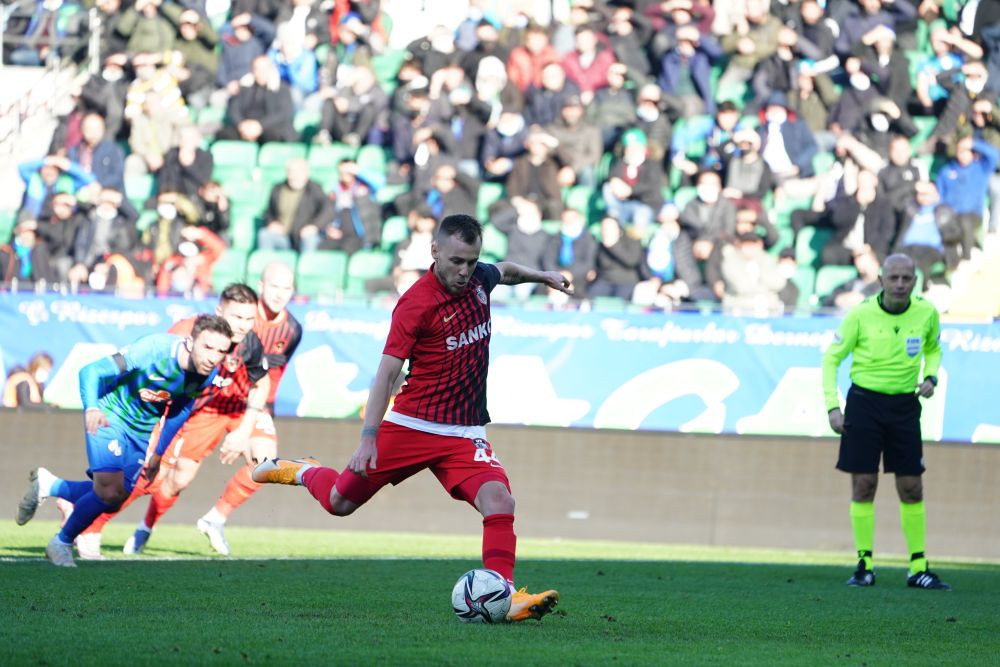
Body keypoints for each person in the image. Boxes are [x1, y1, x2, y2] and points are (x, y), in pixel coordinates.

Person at [251, 214, 566, 622]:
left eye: (471, 261)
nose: (464, 271)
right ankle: (303, 471)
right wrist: (368, 438)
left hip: (464, 431)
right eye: (456, 261)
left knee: (499, 500)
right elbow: (386, 374)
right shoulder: (416, 303)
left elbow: (505, 271)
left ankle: (506, 597)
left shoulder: (479, 280)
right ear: (434, 251)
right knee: (339, 502)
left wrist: (543, 277)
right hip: (413, 424)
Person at [15, 315, 232, 567]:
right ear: (190, 342)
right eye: (208, 347)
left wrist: (158, 453)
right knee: (108, 490)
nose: (213, 357)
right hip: (110, 413)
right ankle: (61, 543)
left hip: (142, 430)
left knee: (116, 497)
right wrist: (92, 408)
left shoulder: (207, 374)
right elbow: (90, 371)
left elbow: (180, 410)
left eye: (221, 351)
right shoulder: (152, 349)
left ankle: (51, 485)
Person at [75, 284, 273, 558]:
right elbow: (155, 367)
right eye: (237, 317)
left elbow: (262, 383)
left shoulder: (250, 343)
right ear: (219, 311)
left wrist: (244, 429)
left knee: (265, 459)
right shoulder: (185, 332)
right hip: (175, 411)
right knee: (150, 478)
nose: (243, 325)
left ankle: (200, 521)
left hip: (221, 408)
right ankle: (89, 524)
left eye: (249, 318)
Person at [822, 253, 951, 591]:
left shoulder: (926, 312)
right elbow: (831, 359)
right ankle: (864, 565)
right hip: (864, 404)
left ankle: (918, 567)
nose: (900, 284)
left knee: (911, 486)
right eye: (893, 278)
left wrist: (931, 376)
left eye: (906, 278)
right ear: (881, 280)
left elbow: (933, 349)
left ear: (915, 281)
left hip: (904, 406)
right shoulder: (860, 314)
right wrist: (833, 406)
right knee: (864, 484)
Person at [194, 262, 303, 553]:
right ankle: (145, 526)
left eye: (286, 288)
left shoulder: (292, 330)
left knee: (266, 462)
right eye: (275, 286)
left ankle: (214, 519)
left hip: (252, 402)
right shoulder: (241, 317)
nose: (280, 294)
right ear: (262, 286)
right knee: (176, 476)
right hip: (213, 399)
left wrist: (264, 408)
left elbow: (272, 375)